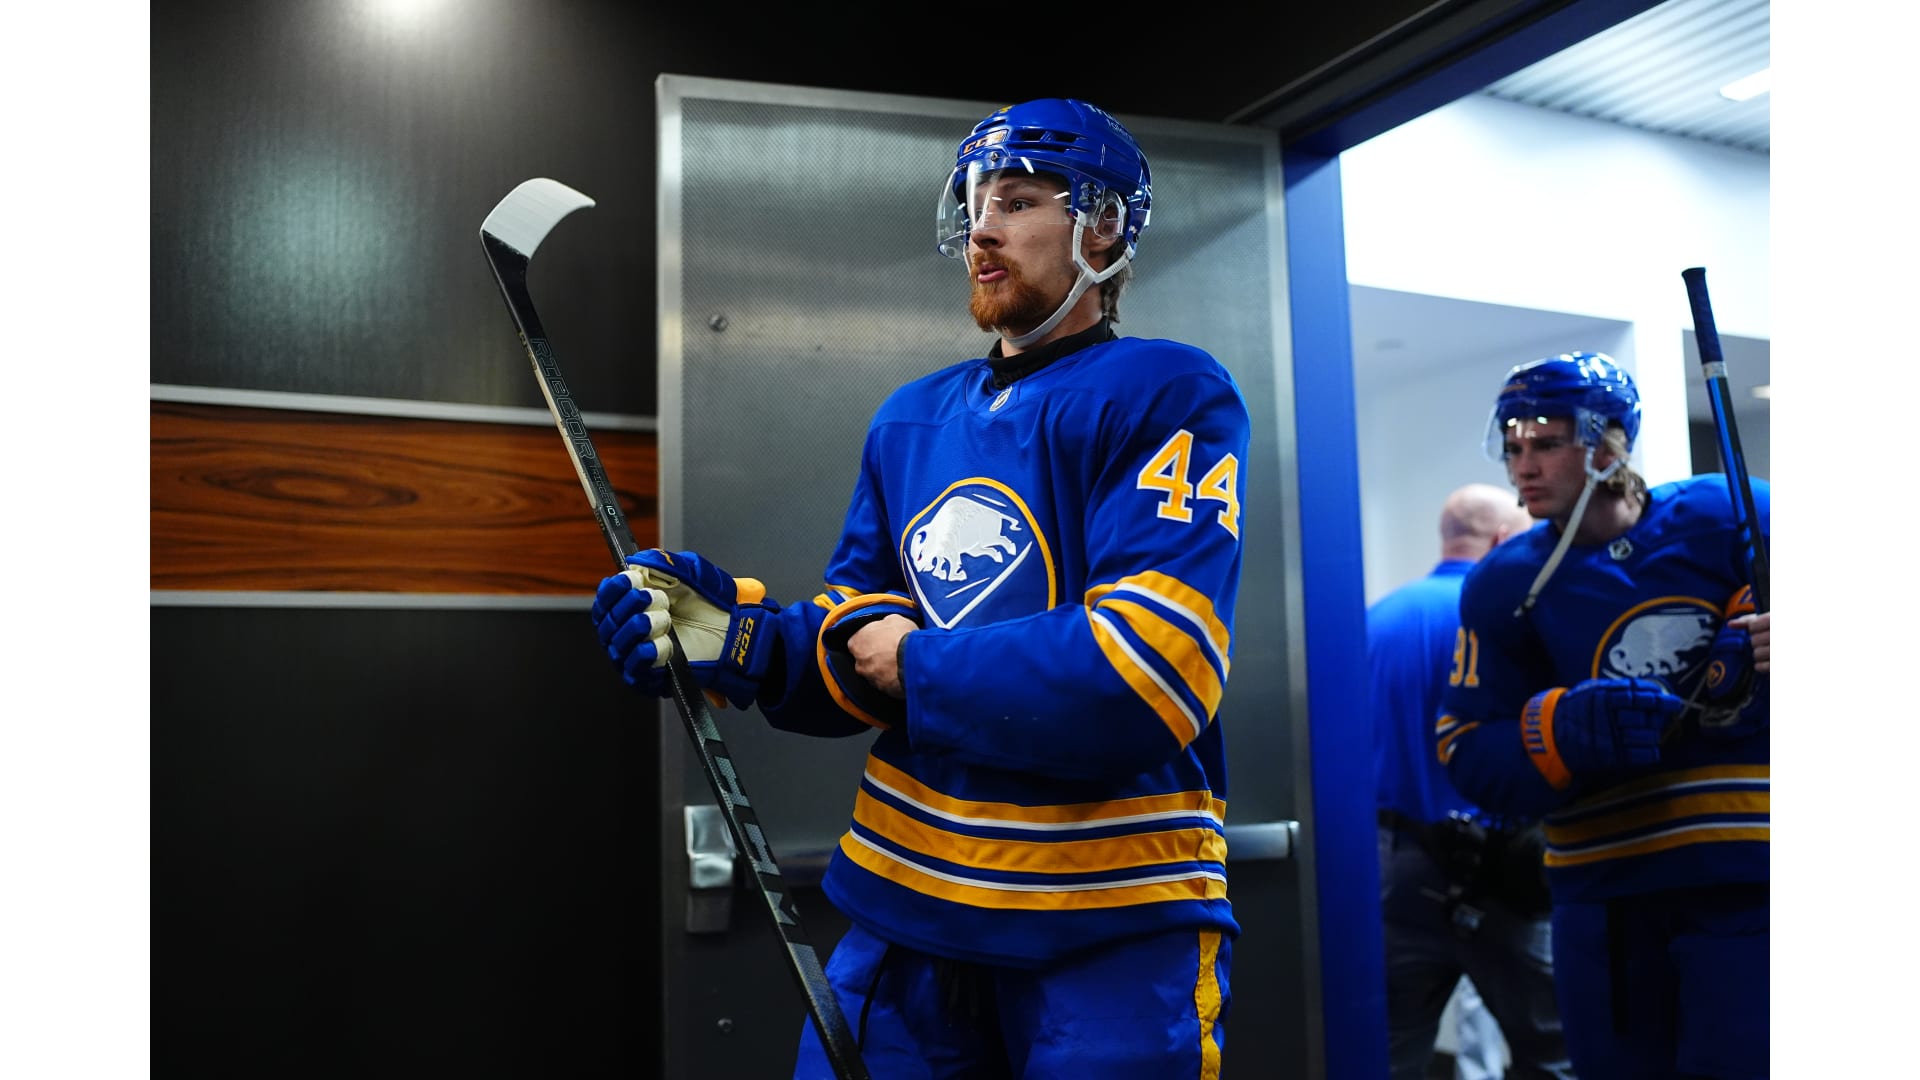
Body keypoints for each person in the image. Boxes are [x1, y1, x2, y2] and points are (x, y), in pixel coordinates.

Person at [592, 98, 1251, 1078]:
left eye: (1018, 202)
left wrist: (914, 663)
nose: (982, 230)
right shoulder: (912, 417)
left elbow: (1151, 670)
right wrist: (740, 641)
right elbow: (856, 642)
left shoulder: (1166, 391)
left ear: (1104, 226)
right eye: (976, 204)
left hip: (1108, 925)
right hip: (903, 916)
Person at [1436, 352, 1770, 1080]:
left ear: (1609, 442)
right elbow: (1463, 745)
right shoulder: (1504, 583)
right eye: (1514, 445)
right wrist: (1555, 733)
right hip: (1604, 892)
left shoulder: (1734, 516)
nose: (1524, 465)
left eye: (1546, 442)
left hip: (1748, 874)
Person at [1369, 482, 1576, 1080]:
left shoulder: (1377, 621)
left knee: (1389, 1055)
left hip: (1395, 871)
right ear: (1504, 539)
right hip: (1504, 873)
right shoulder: (1508, 623)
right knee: (1557, 1055)